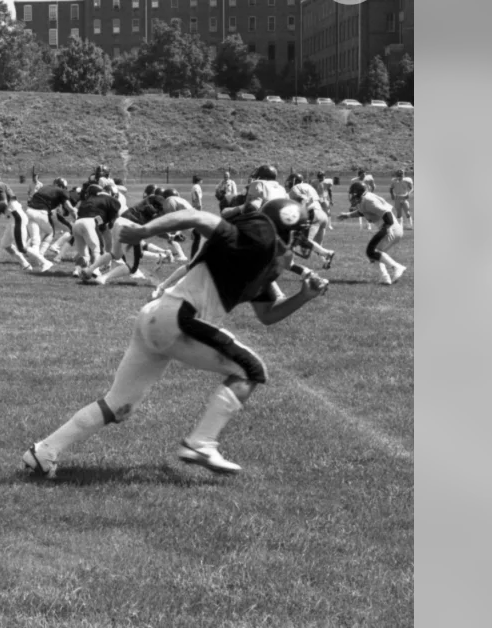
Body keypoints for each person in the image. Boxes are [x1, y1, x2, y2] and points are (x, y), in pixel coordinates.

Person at [23, 198, 329, 478]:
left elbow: (268, 315)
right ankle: (201, 443)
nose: (303, 238)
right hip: (179, 318)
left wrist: (304, 296)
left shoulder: (261, 257)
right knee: (251, 370)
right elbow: (197, 216)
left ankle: (44, 452)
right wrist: (143, 232)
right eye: (299, 231)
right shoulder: (260, 236)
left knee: (119, 405)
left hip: (156, 317)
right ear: (286, 227)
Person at [337, 181, 408, 285]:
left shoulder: (369, 200)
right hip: (389, 227)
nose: (352, 196)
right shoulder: (363, 200)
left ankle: (397, 267)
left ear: (359, 193)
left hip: (390, 227)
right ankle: (385, 279)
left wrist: (386, 229)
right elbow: (362, 212)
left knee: (372, 251)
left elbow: (387, 213)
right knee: (374, 255)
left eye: (354, 194)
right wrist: (347, 215)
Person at [287, 174, 336, 269]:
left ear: (293, 180)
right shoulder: (309, 186)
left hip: (313, 214)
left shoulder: (295, 188)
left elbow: (304, 199)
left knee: (305, 241)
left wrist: (302, 214)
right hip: (322, 214)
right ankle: (326, 261)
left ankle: (328, 253)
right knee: (317, 245)